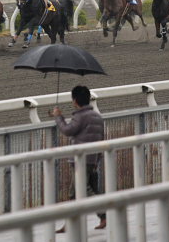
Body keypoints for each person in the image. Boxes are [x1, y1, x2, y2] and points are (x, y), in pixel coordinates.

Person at [51, 86, 106, 233]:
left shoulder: (80, 116)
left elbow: (68, 130)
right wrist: (97, 159)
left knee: (81, 190)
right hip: (92, 159)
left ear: (75, 100)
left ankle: (103, 214)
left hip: (80, 159)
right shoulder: (97, 116)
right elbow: (102, 139)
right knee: (87, 189)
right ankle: (74, 222)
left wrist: (58, 116)